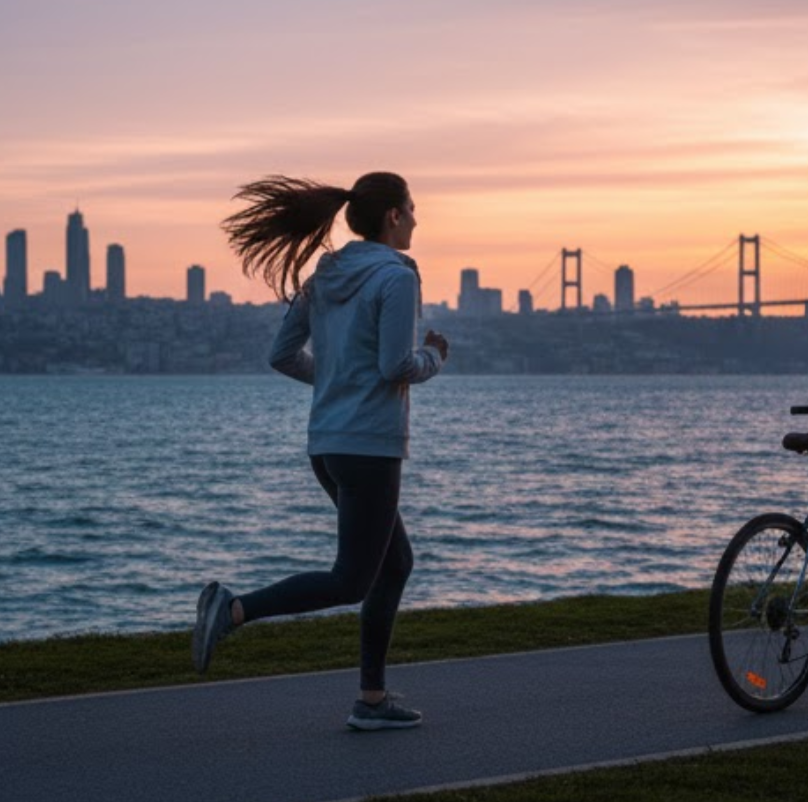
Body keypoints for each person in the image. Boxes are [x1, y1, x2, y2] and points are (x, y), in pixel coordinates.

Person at [192, 172, 448, 731]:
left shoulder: (325, 274)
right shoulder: (397, 277)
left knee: (395, 563)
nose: (418, 218)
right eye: (413, 208)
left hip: (327, 445)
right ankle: (234, 610)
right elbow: (395, 367)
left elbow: (283, 354)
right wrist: (433, 358)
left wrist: (336, 382)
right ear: (394, 217)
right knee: (353, 579)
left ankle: (372, 701)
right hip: (368, 447)